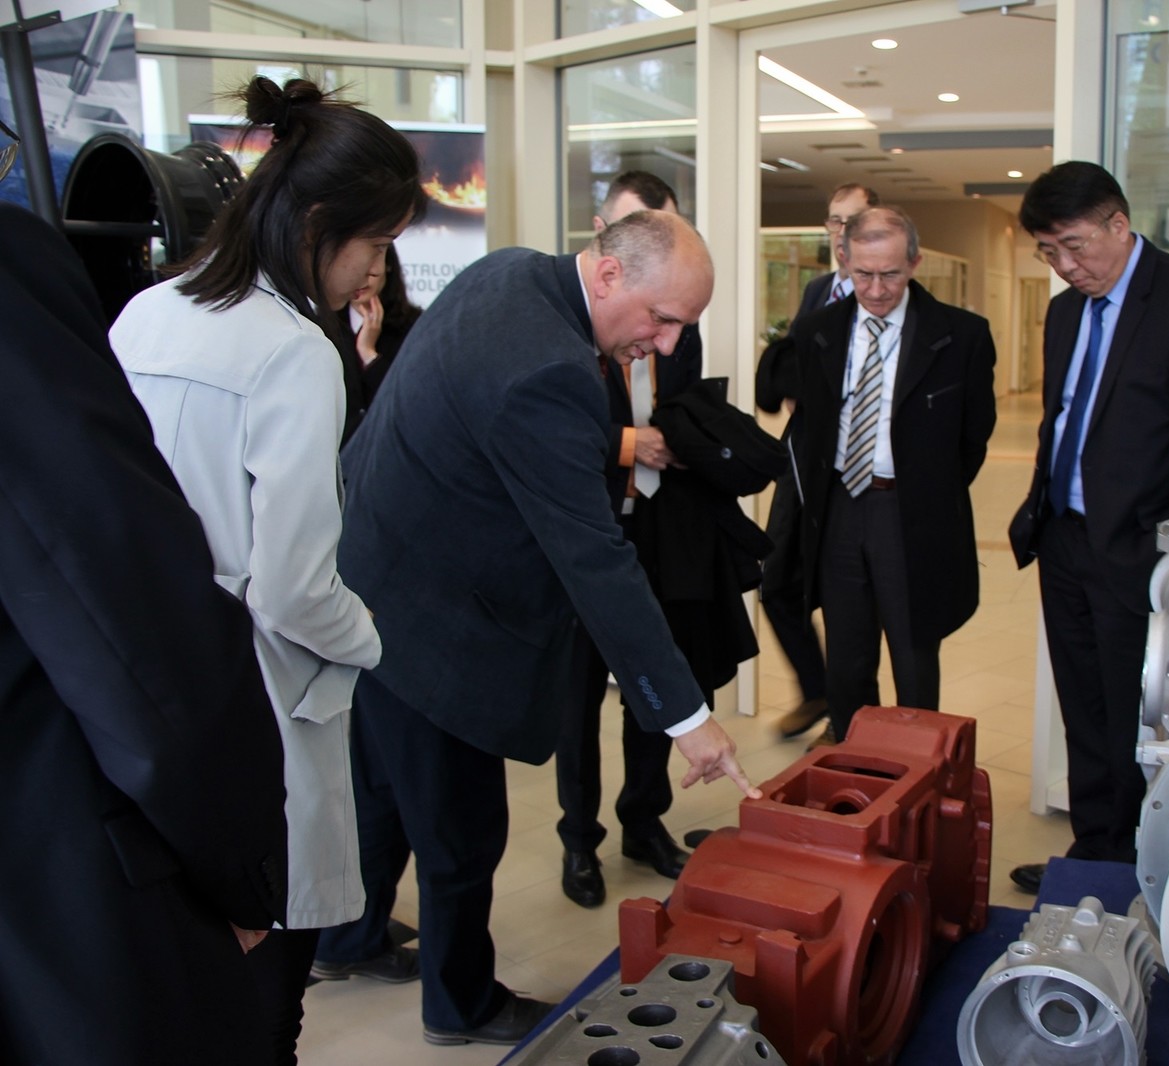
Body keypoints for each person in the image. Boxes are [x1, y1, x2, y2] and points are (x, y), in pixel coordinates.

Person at [319, 208, 760, 1049]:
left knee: (377, 789)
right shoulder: (550, 372)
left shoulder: (511, 271)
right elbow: (594, 560)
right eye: (662, 319)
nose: (666, 344)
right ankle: (461, 1006)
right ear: (609, 274)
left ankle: (349, 936)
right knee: (459, 830)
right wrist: (687, 718)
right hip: (437, 622)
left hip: (369, 583)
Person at [110, 76, 426, 1062]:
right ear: (320, 225)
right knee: (265, 1008)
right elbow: (292, 587)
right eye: (375, 244)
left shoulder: (145, 313)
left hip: (140, 696)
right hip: (257, 716)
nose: (373, 273)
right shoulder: (294, 351)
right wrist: (371, 636)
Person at [0, 202, 289, 1064]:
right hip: (59, 902)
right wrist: (242, 874)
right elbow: (125, 622)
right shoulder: (293, 350)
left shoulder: (152, 313)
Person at [1006, 162, 1169, 893]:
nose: (1065, 265)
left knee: (1133, 715)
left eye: (1076, 246)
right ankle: (1094, 850)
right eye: (1049, 252)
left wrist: (1168, 555)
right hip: (1066, 536)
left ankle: (1139, 867)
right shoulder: (1065, 313)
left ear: (1119, 223)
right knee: (1082, 704)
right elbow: (1062, 421)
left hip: (1140, 548)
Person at [789, 205, 997, 745]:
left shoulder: (962, 336)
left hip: (910, 513)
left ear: (915, 263)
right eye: (864, 274)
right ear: (844, 260)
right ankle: (855, 759)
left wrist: (927, 490)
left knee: (913, 653)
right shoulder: (817, 331)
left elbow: (974, 437)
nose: (877, 290)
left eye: (891, 274)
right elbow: (809, 425)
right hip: (839, 509)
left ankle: (915, 766)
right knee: (846, 657)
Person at [556, 171, 699, 909]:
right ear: (605, 238)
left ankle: (645, 820)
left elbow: (688, 408)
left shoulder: (678, 321)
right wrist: (624, 444)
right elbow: (555, 430)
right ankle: (579, 839)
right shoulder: (565, 324)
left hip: (660, 528)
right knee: (576, 698)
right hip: (587, 527)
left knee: (652, 675)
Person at [765, 181, 879, 742]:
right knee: (774, 584)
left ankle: (850, 718)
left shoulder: (883, 292)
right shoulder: (817, 291)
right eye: (834, 221)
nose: (841, 232)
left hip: (854, 471)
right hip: (802, 460)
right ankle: (816, 689)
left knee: (846, 601)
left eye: (853, 221)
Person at [349, 243, 424, 401]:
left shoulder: (416, 325)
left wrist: (368, 353)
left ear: (387, 265)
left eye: (370, 262)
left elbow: (413, 396)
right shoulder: (323, 326)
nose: (362, 276)